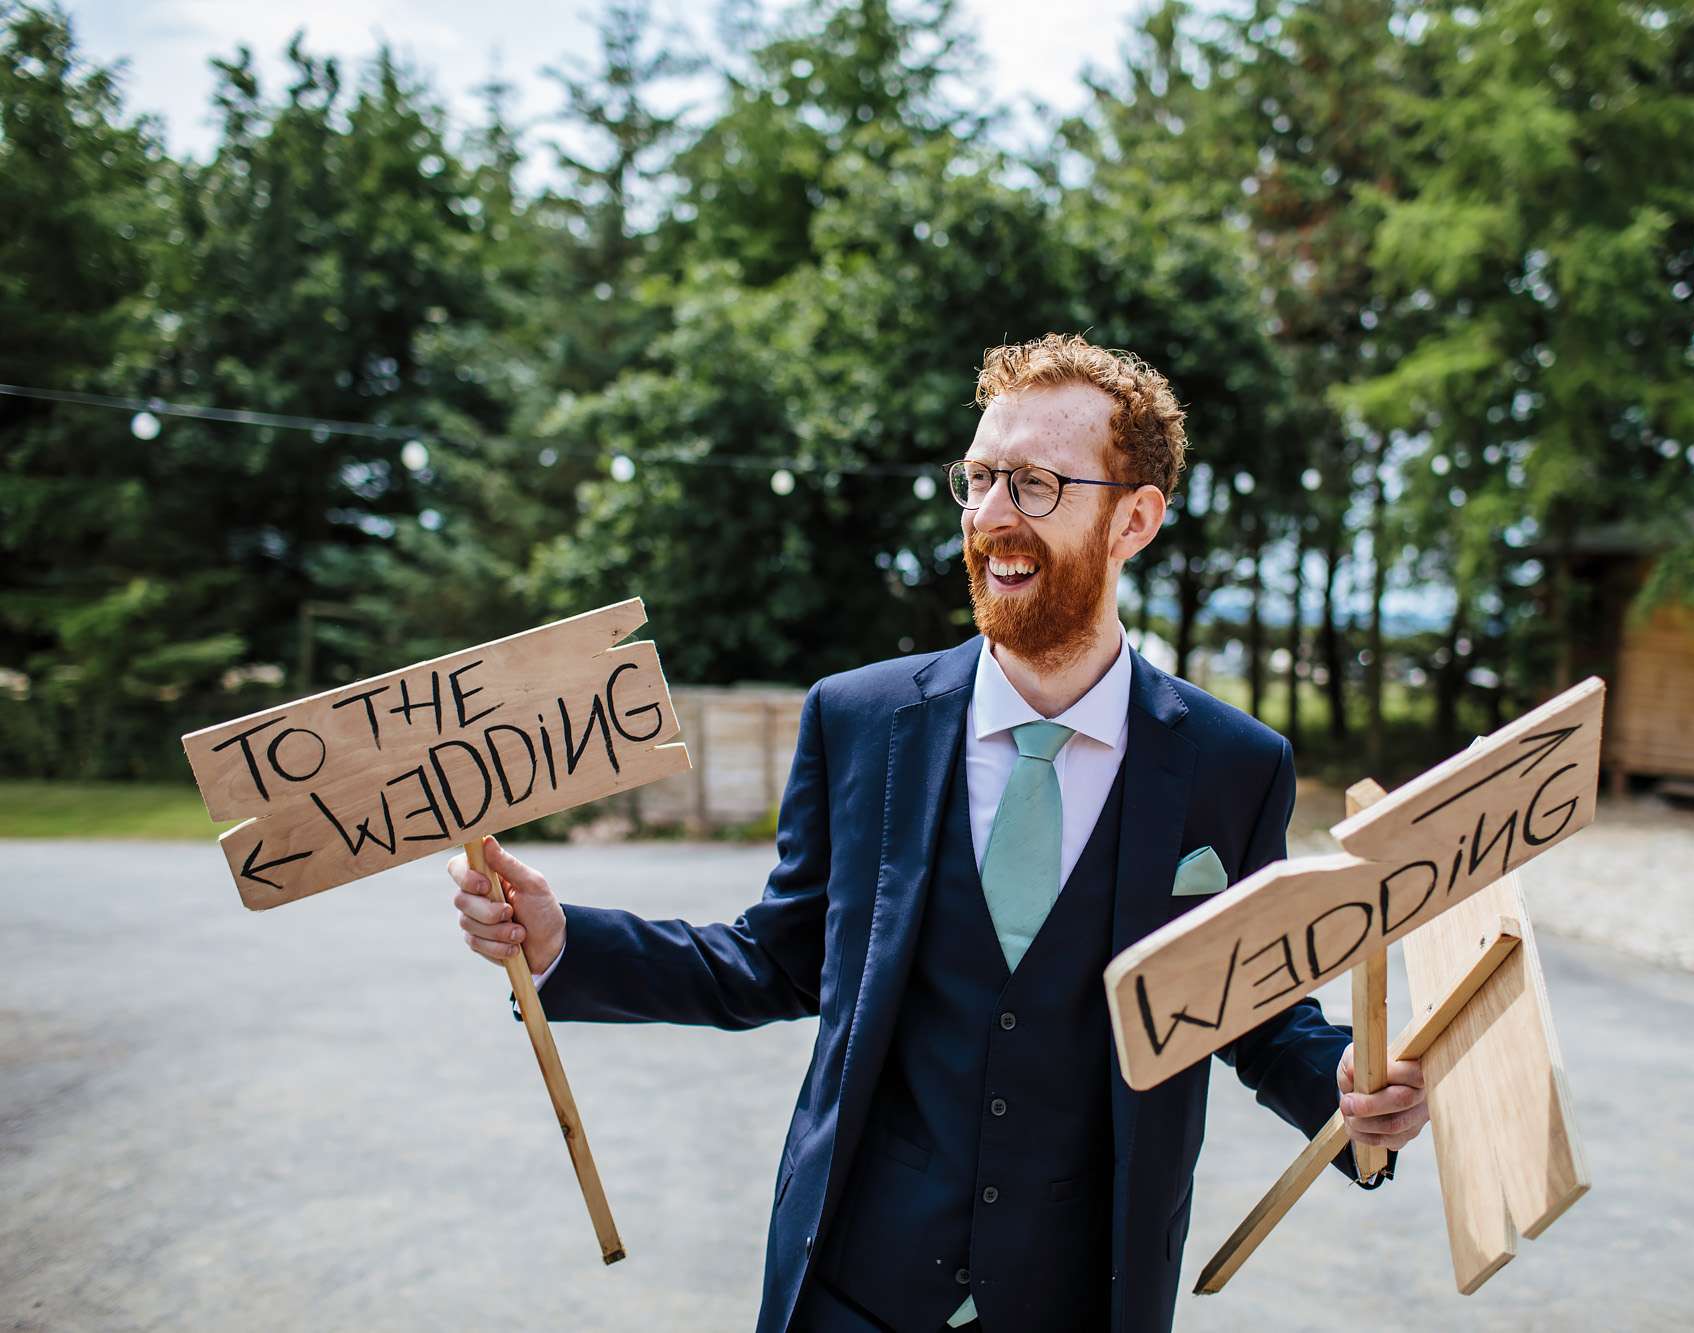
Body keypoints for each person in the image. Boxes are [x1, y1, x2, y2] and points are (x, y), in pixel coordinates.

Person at [448, 334, 1430, 1332]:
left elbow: (1248, 1006)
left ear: (1133, 518)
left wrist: (1345, 1087)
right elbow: (775, 961)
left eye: (1038, 483)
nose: (993, 515)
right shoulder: (859, 719)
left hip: (1080, 1299)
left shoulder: (1232, 765)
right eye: (980, 477)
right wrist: (560, 937)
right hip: (854, 1290)